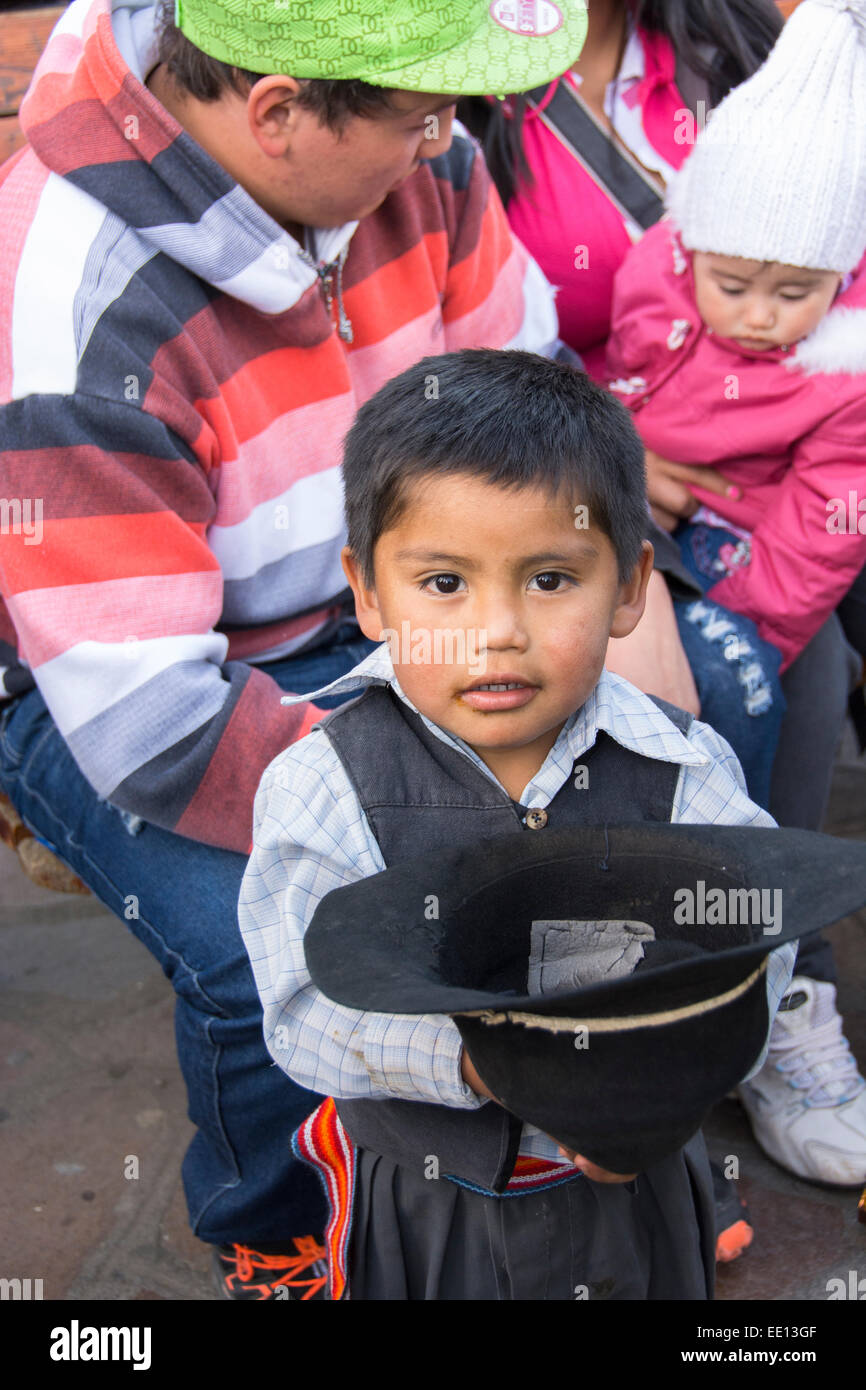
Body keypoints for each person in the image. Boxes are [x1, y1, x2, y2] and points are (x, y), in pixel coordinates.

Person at [0, 0, 590, 1298]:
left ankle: (516, 1156)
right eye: (419, 112)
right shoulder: (80, 302)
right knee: (277, 952)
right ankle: (277, 1228)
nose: (449, 140)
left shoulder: (421, 163)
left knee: (618, 786)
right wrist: (433, 785)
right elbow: (147, 714)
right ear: (273, 109)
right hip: (124, 679)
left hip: (376, 602)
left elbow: (527, 398)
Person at [238, 346, 798, 1299]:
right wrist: (492, 1062)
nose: (496, 628)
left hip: (636, 1188)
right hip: (432, 1205)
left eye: (548, 579)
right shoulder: (323, 787)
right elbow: (301, 1008)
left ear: (628, 588)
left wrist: (666, 1079)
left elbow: (758, 942)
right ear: (369, 593)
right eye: (444, 583)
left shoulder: (683, 770)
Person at [603, 0, 866, 1185]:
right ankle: (637, 962)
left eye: (792, 292)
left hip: (747, 552)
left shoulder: (839, 368)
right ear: (689, 246)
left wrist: (745, 624)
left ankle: (769, 957)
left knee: (747, 683)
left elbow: (825, 528)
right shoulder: (655, 273)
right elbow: (608, 364)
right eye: (737, 285)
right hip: (615, 505)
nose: (759, 318)